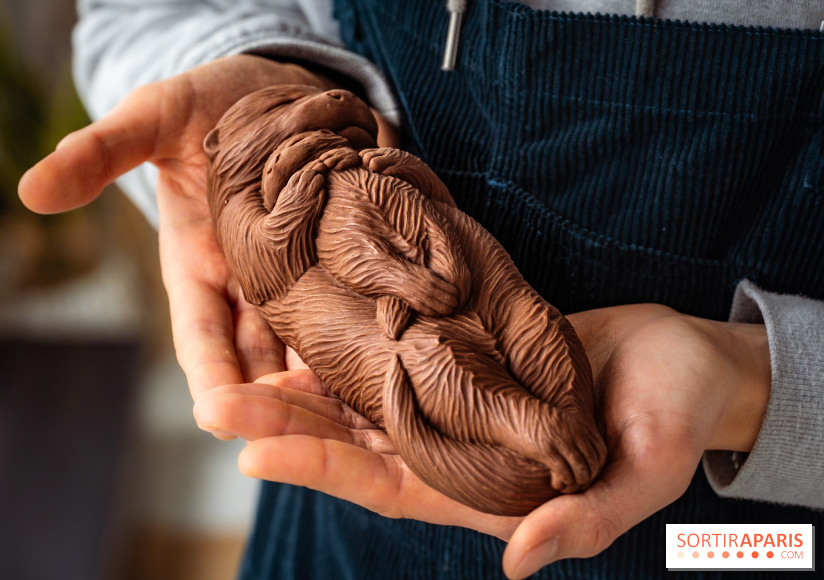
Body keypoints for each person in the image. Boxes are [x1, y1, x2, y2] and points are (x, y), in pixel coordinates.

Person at [19, 1, 824, 578]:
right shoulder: (276, 230)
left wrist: (770, 379)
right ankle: (531, 423)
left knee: (508, 306)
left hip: (767, 544)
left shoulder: (349, 175)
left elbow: (429, 232)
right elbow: (143, 18)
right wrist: (258, 59)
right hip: (360, 483)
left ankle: (544, 416)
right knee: (433, 357)